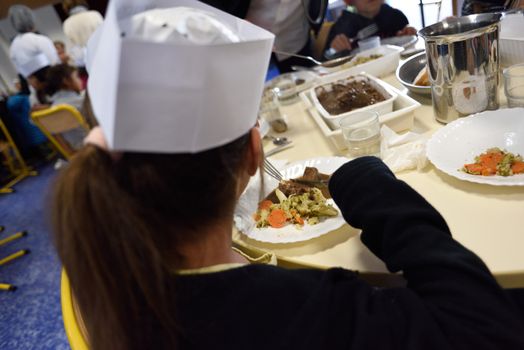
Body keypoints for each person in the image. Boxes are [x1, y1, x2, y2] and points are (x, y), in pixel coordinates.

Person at [51, 1, 524, 349]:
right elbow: (485, 327)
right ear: (253, 155)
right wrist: (372, 187)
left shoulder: (116, 284)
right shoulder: (299, 313)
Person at [325, 0, 417, 54]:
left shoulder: (395, 16)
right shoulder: (342, 26)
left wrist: (407, 33)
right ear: (349, 1)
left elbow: (409, 43)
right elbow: (327, 56)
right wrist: (335, 48)